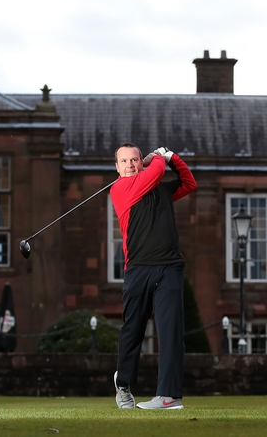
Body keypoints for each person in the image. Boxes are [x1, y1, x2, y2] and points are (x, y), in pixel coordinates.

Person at [110, 143, 197, 410]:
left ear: (140, 162)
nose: (130, 165)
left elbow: (189, 183)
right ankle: (123, 385)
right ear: (117, 167)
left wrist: (173, 157)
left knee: (171, 332)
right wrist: (159, 157)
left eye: (134, 160)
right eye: (124, 161)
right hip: (138, 268)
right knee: (133, 330)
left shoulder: (159, 187)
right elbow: (157, 170)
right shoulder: (119, 189)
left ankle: (169, 396)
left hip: (169, 267)